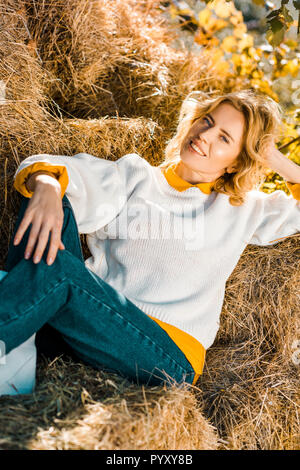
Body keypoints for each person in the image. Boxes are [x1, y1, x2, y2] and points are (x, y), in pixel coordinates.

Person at [1, 89, 300, 395]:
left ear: (237, 162)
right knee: (46, 192)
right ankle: (16, 347)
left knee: (58, 270)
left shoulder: (245, 209)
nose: (205, 135)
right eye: (207, 121)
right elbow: (60, 168)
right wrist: (48, 185)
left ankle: (10, 335)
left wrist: (271, 156)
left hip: (165, 356)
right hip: (94, 325)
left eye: (224, 138)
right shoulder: (137, 177)